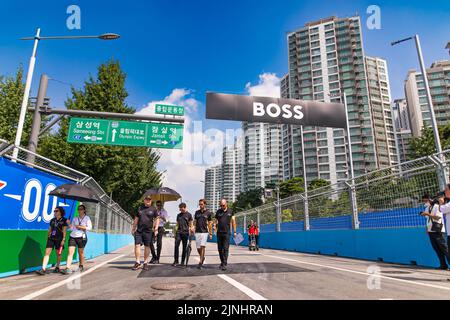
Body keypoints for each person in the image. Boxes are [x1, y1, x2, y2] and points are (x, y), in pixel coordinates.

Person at [421, 193, 450, 270]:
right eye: (424, 201)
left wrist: (428, 214)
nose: (425, 202)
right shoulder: (427, 208)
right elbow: (428, 219)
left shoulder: (437, 207)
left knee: (445, 249)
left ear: (430, 199)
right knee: (437, 249)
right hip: (431, 231)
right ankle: (443, 265)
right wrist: (427, 228)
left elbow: (437, 217)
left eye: (426, 201)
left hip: (438, 230)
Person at [36, 207, 68, 275]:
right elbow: (50, 229)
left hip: (59, 239)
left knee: (58, 254)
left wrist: (63, 239)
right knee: (47, 253)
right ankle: (43, 269)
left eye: (56, 211)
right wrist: (48, 235)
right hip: (51, 238)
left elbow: (64, 231)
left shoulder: (64, 220)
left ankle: (57, 267)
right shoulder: (52, 220)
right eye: (54, 211)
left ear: (60, 212)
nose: (55, 212)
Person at [62, 204, 93, 274]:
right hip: (73, 236)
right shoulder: (75, 218)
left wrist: (81, 227)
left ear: (84, 210)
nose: (79, 210)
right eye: (78, 209)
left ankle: (81, 265)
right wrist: (69, 223)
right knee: (70, 252)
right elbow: (72, 228)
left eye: (81, 209)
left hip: (82, 237)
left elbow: (89, 228)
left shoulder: (87, 218)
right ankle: (67, 268)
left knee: (80, 252)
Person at [131, 196, 159, 271]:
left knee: (147, 246)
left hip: (148, 231)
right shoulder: (140, 208)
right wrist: (133, 228)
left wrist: (156, 228)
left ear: (151, 200)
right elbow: (136, 218)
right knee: (137, 245)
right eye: (146, 199)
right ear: (144, 200)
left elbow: (157, 219)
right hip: (139, 230)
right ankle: (137, 262)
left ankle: (145, 263)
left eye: (149, 199)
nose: (148, 201)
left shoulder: (154, 209)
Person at [214, 199, 237, 271]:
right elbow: (216, 220)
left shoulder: (231, 211)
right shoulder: (218, 211)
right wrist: (214, 226)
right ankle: (222, 262)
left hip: (227, 233)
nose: (222, 207)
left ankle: (224, 263)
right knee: (220, 249)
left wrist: (235, 231)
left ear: (226, 204)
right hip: (219, 233)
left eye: (223, 205)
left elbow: (233, 222)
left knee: (226, 248)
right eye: (220, 205)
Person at [193, 199, 213, 269]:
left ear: (204, 204)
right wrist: (193, 228)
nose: (200, 205)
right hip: (197, 232)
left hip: (204, 232)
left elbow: (210, 223)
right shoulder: (196, 212)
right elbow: (195, 221)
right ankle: (202, 257)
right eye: (199, 204)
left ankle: (200, 262)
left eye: (201, 204)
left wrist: (210, 233)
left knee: (202, 246)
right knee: (198, 248)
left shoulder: (208, 213)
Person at [172, 202, 193, 267]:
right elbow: (177, 224)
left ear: (185, 207)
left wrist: (191, 231)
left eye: (182, 209)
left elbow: (191, 225)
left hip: (186, 233)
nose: (181, 210)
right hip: (179, 232)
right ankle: (176, 261)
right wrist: (174, 232)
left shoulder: (189, 215)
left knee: (184, 248)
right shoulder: (178, 215)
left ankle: (182, 262)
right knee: (176, 246)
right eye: (180, 209)